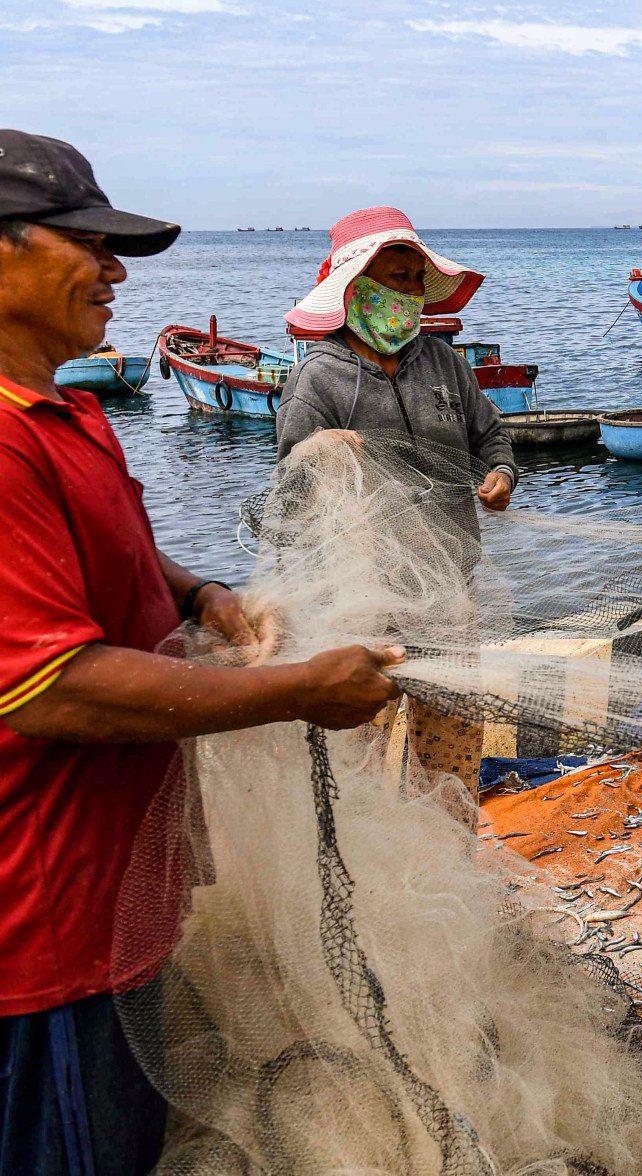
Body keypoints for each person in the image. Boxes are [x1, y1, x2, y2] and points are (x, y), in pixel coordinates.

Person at [0, 130, 402, 1176]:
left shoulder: (66, 413)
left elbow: (108, 553)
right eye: (87, 243)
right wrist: (298, 690)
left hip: (113, 892)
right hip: (38, 936)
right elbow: (50, 690)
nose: (115, 271)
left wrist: (203, 593)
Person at [274, 207, 514, 793]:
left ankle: (456, 862)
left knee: (452, 753)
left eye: (415, 280)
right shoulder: (319, 379)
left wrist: (502, 474)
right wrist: (318, 450)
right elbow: (288, 493)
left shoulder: (442, 363)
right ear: (355, 289)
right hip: (358, 605)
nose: (410, 294)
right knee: (359, 757)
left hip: (448, 596)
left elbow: (491, 434)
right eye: (396, 279)